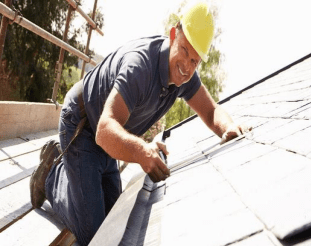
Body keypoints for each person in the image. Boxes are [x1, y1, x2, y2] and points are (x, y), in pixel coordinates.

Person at [30, 2, 251, 245]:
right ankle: (51, 174)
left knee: (116, 224)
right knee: (95, 235)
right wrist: (141, 150)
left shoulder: (185, 75)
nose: (186, 67)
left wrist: (227, 127)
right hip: (82, 125)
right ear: (174, 34)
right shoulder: (140, 66)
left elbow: (211, 112)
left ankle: (81, 172)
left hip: (109, 136)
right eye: (185, 51)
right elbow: (104, 131)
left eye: (195, 61)